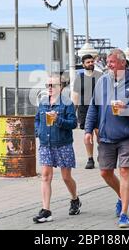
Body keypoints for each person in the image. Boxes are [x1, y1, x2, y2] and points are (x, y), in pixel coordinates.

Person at [85, 49, 129, 228]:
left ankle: (124, 214)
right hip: (105, 136)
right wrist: (88, 130)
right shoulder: (102, 81)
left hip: (127, 136)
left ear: (122, 63)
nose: (108, 65)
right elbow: (93, 107)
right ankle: (121, 195)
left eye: (112, 62)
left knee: (124, 171)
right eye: (107, 62)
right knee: (105, 172)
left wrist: (127, 108)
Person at [33, 75, 80, 223]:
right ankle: (46, 210)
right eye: (48, 85)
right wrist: (38, 131)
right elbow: (37, 119)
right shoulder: (43, 102)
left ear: (61, 87)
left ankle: (75, 199)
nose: (50, 88)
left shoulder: (67, 104)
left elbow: (73, 123)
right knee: (45, 176)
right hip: (46, 144)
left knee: (66, 177)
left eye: (53, 85)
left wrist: (58, 120)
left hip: (63, 144)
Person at [72, 54, 103, 169]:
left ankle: (102, 153)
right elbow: (75, 96)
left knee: (99, 134)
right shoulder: (79, 78)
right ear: (83, 64)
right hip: (84, 109)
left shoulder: (100, 76)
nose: (90, 64)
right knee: (88, 135)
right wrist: (72, 113)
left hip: (99, 108)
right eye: (88, 62)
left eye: (92, 61)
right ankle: (90, 159)